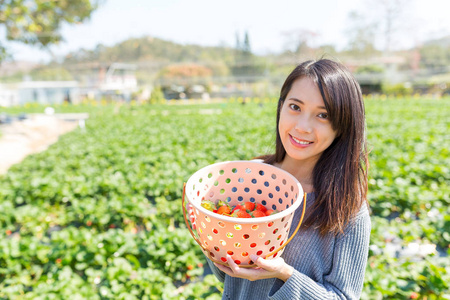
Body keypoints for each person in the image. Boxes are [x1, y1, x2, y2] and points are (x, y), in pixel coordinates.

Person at [205, 59, 371, 299]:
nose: (303, 126)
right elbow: (228, 278)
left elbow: (344, 296)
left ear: (342, 126)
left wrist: (285, 274)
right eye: (295, 107)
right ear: (281, 106)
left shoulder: (347, 207)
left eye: (322, 115)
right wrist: (211, 230)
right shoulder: (249, 178)